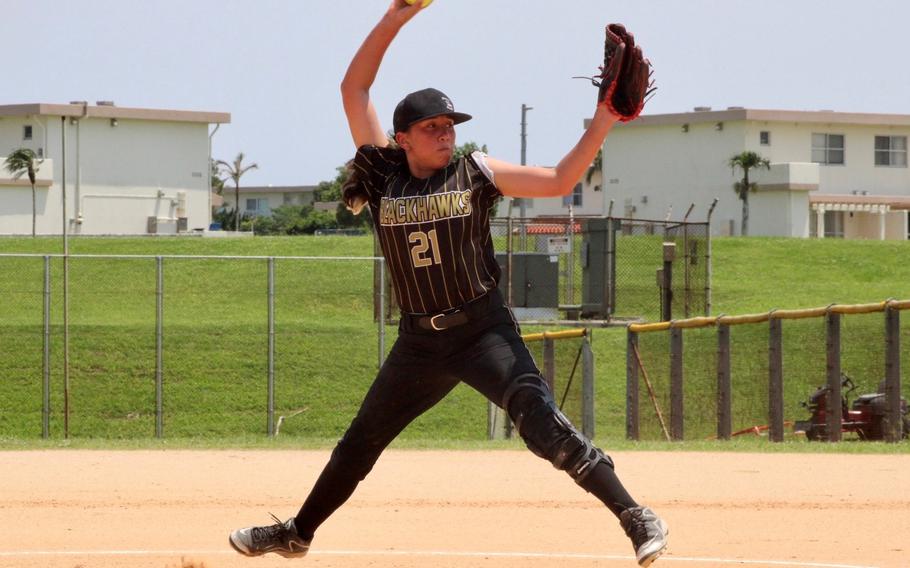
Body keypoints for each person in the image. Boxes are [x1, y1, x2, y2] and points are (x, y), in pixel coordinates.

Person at [229, 1, 668, 566]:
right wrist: (397, 14)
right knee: (361, 441)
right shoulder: (383, 175)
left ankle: (636, 516)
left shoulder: (475, 172)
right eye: (432, 128)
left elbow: (561, 178)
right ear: (402, 138)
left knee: (541, 425)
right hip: (419, 342)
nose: (444, 135)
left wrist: (603, 119)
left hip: (483, 331)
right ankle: (298, 532)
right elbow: (353, 89)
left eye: (449, 126)